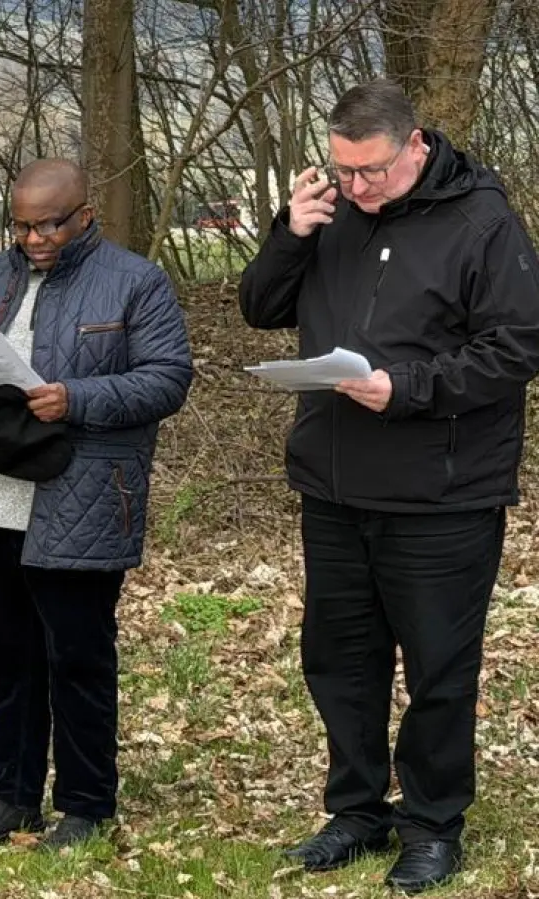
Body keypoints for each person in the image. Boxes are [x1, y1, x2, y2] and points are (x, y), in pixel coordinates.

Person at [239, 78, 539, 894]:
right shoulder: (332, 214)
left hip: (442, 492)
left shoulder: (483, 223)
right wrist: (291, 234)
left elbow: (516, 348)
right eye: (341, 171)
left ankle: (434, 824)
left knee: (439, 665)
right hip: (335, 484)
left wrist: (405, 388)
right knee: (341, 660)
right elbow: (259, 306)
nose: (356, 187)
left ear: (415, 146)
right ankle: (358, 810)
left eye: (370, 171)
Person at [0, 159, 193, 851]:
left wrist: (78, 398)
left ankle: (85, 804)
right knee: (8, 663)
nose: (34, 238)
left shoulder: (135, 280)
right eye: (21, 225)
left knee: (77, 660)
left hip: (83, 499)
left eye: (49, 223)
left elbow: (168, 379)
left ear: (84, 213)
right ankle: (10, 797)